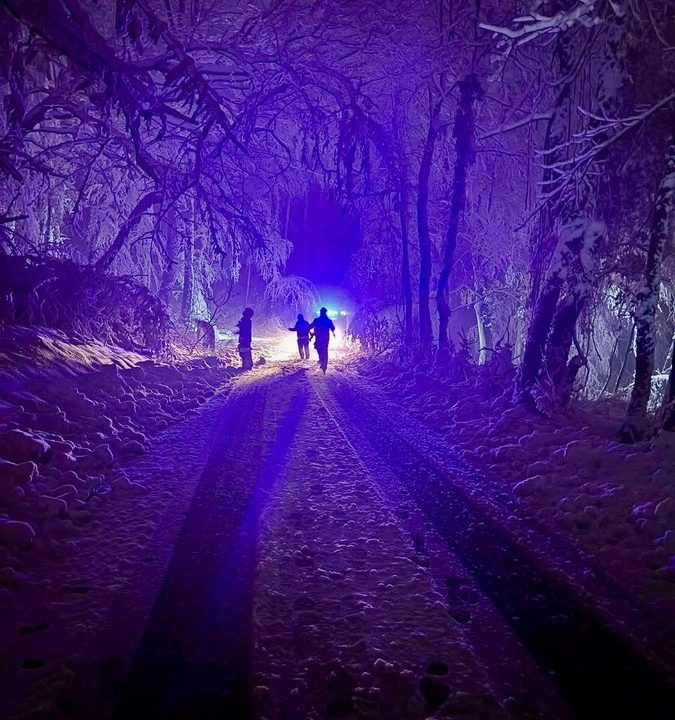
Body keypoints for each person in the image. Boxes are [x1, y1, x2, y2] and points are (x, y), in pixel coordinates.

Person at [309, 307, 336, 373]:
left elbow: (310, 326)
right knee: (324, 350)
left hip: (319, 338)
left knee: (319, 349)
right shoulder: (328, 321)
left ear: (321, 313)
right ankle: (324, 364)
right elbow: (332, 328)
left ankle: (322, 361)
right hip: (325, 338)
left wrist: (307, 329)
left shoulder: (317, 320)